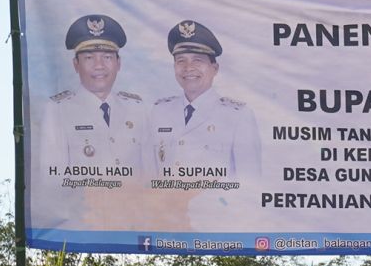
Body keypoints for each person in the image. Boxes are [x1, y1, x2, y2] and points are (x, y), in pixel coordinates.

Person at [150, 20, 260, 181]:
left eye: (197, 60)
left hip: (216, 206)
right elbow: (150, 177)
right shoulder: (159, 112)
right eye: (181, 60)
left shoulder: (238, 116)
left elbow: (250, 186)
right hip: (166, 206)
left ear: (214, 69)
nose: (188, 68)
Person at [37, 14, 147, 174]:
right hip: (80, 200)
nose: (99, 66)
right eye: (89, 58)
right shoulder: (58, 110)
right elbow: (52, 179)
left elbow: (150, 176)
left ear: (119, 63)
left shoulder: (137, 108)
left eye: (107, 57)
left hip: (134, 200)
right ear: (76, 65)